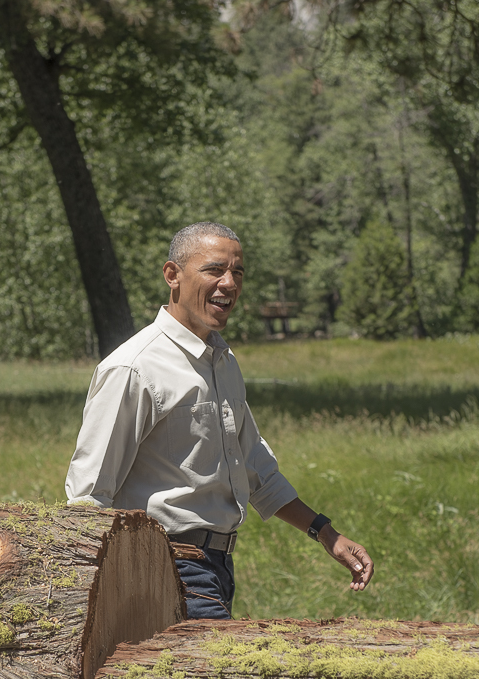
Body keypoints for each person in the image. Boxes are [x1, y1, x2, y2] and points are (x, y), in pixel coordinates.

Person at [65, 221, 373, 618]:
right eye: (214, 270)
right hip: (165, 566)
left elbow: (256, 472)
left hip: (217, 566)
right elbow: (88, 497)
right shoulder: (133, 368)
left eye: (238, 272)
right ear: (172, 275)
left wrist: (326, 534)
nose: (229, 283)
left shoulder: (223, 362)